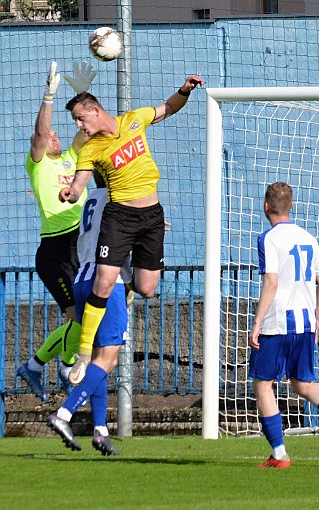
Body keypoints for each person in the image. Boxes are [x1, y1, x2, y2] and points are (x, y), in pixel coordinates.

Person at [58, 74, 204, 385]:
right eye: (76, 121)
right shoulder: (90, 149)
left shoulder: (134, 120)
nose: (79, 126)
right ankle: (84, 352)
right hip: (119, 217)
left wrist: (184, 91)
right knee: (104, 281)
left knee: (148, 288)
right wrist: (70, 192)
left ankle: (128, 290)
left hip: (152, 215)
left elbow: (167, 108)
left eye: (80, 118)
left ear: (96, 111)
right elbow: (80, 183)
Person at [249, 182, 319, 468]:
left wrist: (257, 322)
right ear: (292, 206)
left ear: (266, 206)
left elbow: (271, 281)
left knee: (263, 384)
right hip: (305, 324)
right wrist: (317, 316)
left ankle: (279, 454)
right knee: (303, 383)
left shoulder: (268, 238)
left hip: (277, 325)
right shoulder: (308, 237)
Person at [18, 61, 97, 400]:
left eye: (56, 133)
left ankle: (37, 366)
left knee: (82, 316)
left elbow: (89, 129)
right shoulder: (39, 164)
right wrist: (49, 96)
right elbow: (39, 133)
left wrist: (81, 96)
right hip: (54, 249)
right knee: (77, 316)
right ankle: (59, 367)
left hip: (79, 243)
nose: (54, 135)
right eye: (49, 134)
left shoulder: (70, 158)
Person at [47, 172, 129, 456]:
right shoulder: (120, 201)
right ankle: (65, 413)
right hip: (106, 282)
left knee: (97, 358)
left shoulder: (91, 199)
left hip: (82, 279)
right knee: (108, 357)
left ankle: (100, 429)